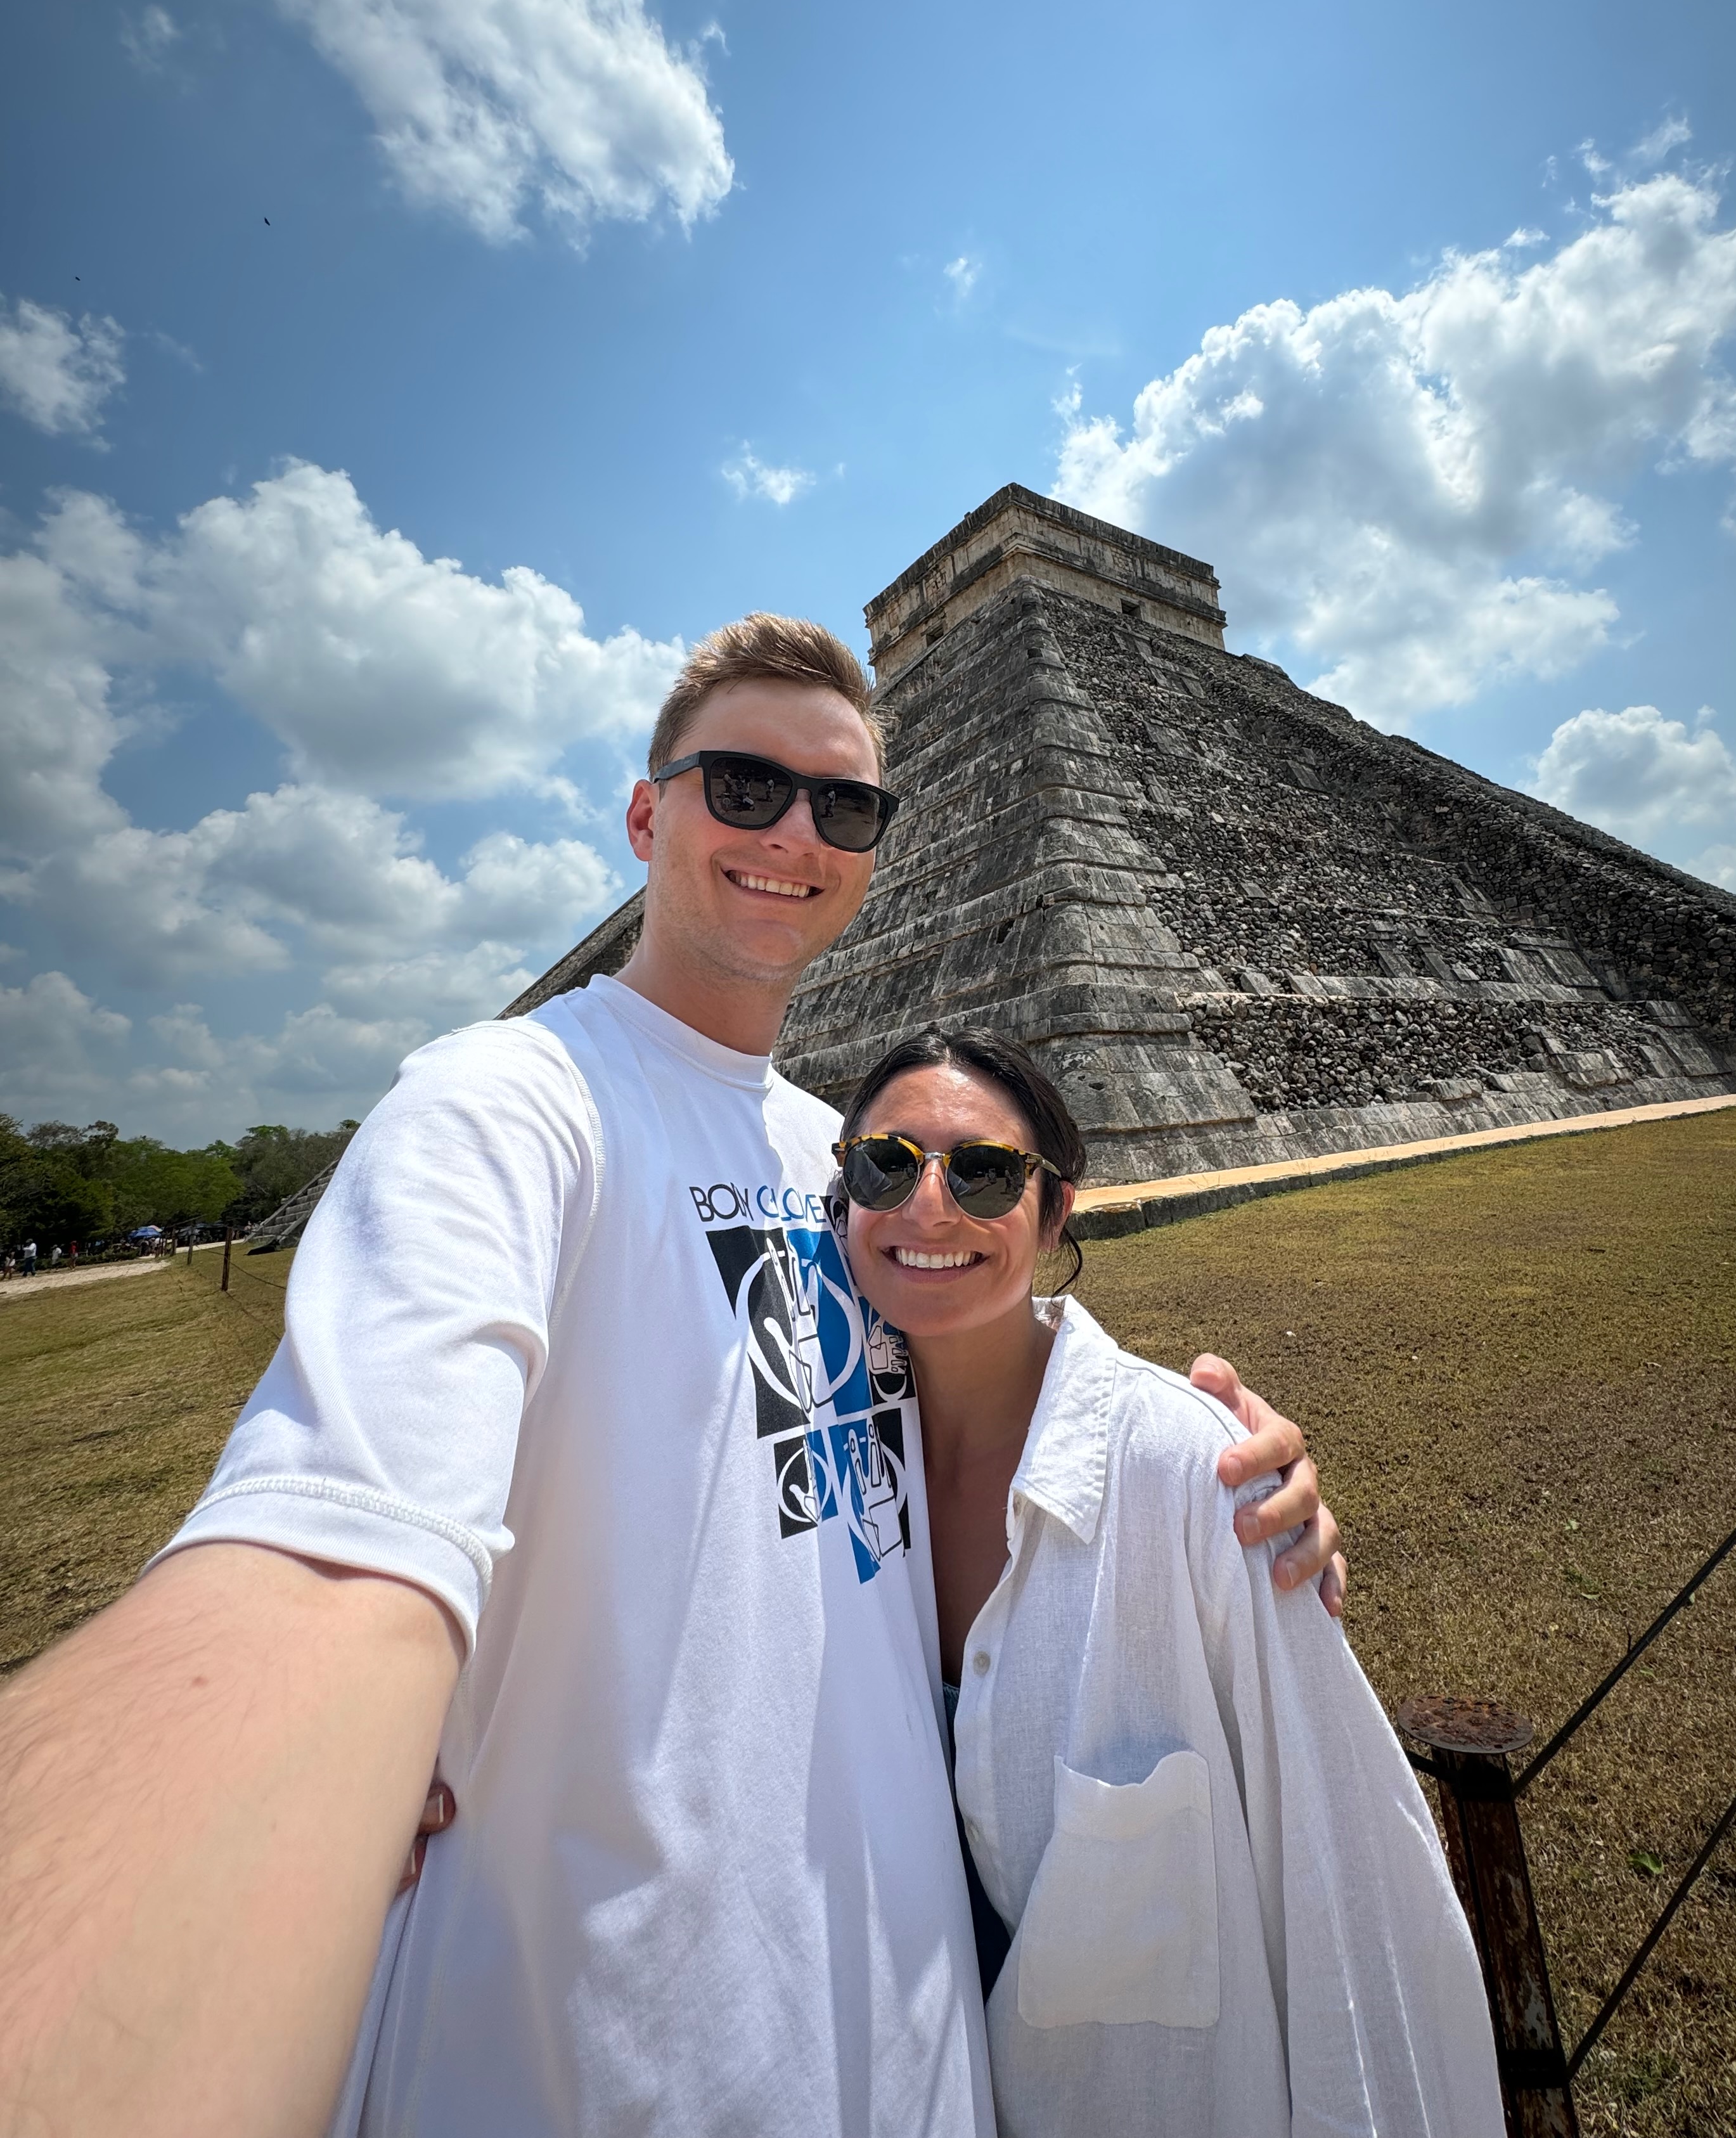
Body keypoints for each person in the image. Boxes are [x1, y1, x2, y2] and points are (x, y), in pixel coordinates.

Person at [0, 614, 1344, 2138]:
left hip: (900, 2033)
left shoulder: (841, 1159)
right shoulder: (508, 1106)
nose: (793, 834)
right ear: (649, 814)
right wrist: (273, 1779)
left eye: (843, 806)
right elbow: (331, 1556)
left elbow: (947, 1454)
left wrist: (1199, 1464)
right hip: (603, 2051)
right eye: (744, 788)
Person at [830, 1024, 1500, 2137]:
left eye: (987, 1172)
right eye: (885, 1166)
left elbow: (1346, 1877)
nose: (929, 1208)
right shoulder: (820, 1467)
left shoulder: (1197, 1474)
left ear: (1057, 1211)